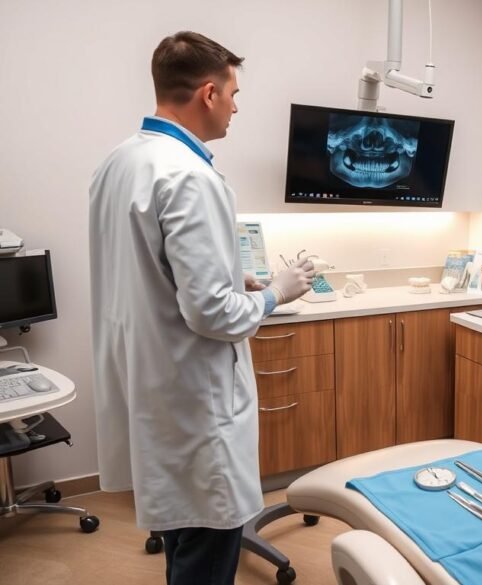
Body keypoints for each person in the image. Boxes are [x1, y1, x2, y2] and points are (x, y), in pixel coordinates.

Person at [89, 31, 315, 585]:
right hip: (196, 400)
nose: (237, 107)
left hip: (155, 386)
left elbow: (142, 268)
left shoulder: (120, 162)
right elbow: (212, 314)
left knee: (185, 534)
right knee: (209, 544)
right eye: (234, 94)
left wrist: (220, 271)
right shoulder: (190, 175)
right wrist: (274, 293)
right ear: (208, 93)